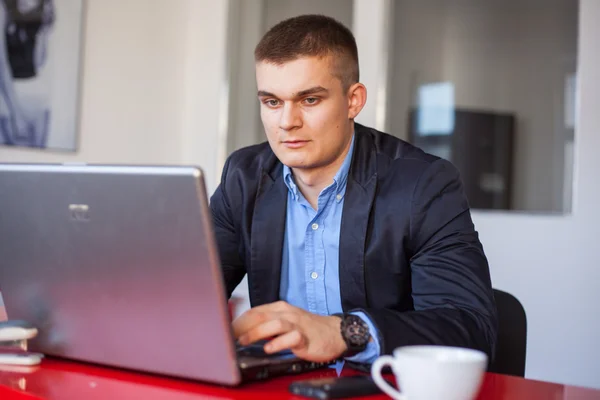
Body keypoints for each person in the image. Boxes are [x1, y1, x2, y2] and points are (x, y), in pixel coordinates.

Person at [210, 14, 498, 367]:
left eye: (310, 100)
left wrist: (344, 332)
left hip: (376, 388)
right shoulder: (244, 178)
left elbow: (470, 328)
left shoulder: (423, 185)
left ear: (353, 101)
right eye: (272, 102)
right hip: (278, 387)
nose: (287, 122)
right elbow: (187, 298)